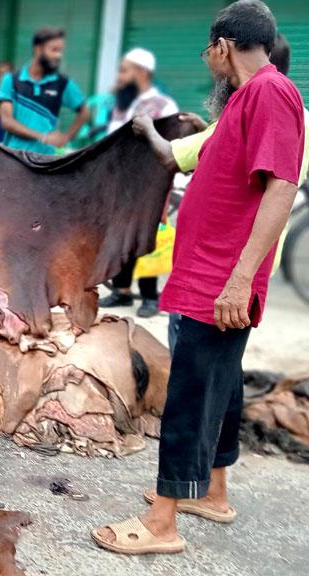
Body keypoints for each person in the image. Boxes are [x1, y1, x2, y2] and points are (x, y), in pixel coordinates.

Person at [93, 0, 304, 555]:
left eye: (207, 49)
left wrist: (239, 281)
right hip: (210, 275)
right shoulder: (246, 101)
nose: (207, 58)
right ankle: (211, 492)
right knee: (219, 387)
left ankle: (161, 526)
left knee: (190, 391)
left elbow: (281, 186)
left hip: (222, 282)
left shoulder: (270, 92)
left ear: (222, 46)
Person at [142, 32, 308, 353]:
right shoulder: (293, 111)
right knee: (220, 370)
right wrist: (211, 126)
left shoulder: (266, 95)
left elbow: (173, 155)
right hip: (252, 251)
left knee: (197, 362)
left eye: (211, 54)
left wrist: (147, 128)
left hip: (230, 262)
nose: (215, 69)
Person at [99, 48, 179, 318]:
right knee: (123, 238)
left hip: (149, 185)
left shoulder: (162, 105)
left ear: (142, 72)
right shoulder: (124, 104)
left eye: (125, 70)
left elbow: (169, 144)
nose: (119, 76)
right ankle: (121, 291)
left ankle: (149, 296)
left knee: (147, 238)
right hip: (121, 185)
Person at [0, 27, 90, 154]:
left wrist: (66, 137)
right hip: (14, 158)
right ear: (38, 49)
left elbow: (84, 111)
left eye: (60, 51)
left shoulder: (62, 83)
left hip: (46, 162)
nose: (58, 55)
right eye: (54, 50)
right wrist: (42, 137)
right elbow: (6, 121)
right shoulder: (11, 80)